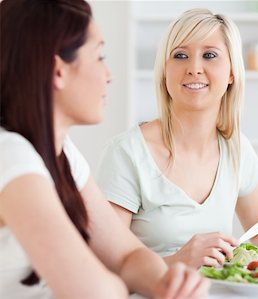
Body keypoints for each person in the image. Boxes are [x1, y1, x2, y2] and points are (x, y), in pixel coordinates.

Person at [97, 8, 258, 269]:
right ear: (165, 71)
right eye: (180, 55)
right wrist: (178, 261)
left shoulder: (237, 149)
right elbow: (108, 263)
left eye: (210, 55)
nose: (194, 68)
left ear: (232, 72)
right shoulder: (127, 153)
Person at [0, 1, 209, 298]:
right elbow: (96, 292)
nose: (109, 74)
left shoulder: (63, 154)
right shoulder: (11, 156)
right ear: (57, 71)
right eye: (100, 56)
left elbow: (127, 256)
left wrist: (166, 282)